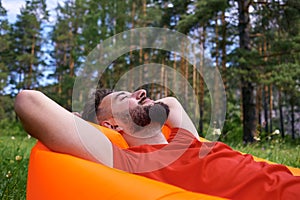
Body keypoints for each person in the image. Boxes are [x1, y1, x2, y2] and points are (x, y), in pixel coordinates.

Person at [14, 89, 300, 200]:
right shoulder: (128, 162)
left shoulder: (187, 140)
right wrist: (86, 124)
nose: (143, 91)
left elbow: (173, 104)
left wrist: (139, 105)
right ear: (111, 125)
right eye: (125, 95)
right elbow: (28, 102)